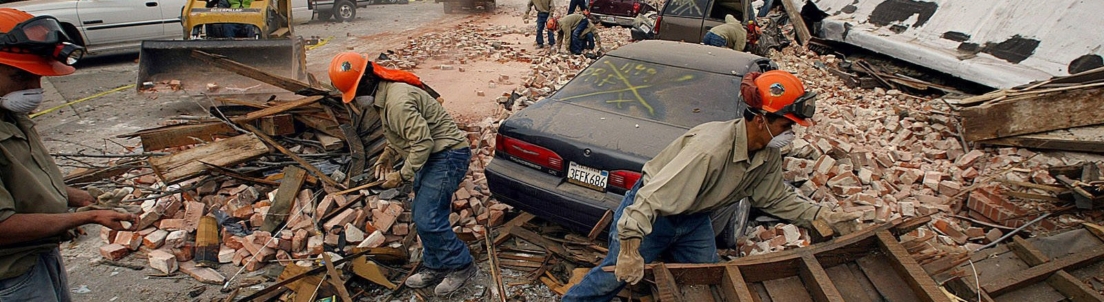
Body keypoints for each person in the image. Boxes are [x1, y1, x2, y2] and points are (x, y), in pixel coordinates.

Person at [561, 70, 862, 301]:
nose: (790, 134)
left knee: (706, 279)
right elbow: (649, 200)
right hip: (655, 217)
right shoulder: (710, 150)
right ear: (761, 119)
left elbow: (775, 198)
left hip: (694, 221)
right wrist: (629, 247)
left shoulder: (767, 152)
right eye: (786, 125)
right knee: (613, 279)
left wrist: (823, 216)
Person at [0, 8, 136, 301]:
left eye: (37, 78)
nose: (34, 90)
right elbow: (3, 227)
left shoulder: (8, 115)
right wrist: (85, 218)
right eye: (20, 77)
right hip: (8, 276)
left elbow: (21, 179)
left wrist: (75, 196)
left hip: (36, 255)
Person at [329, 52, 475, 296]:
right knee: (422, 215)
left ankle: (461, 265)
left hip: (447, 155)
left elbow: (422, 143)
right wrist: (389, 154)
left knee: (428, 218)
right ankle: (436, 266)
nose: (356, 101)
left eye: (354, 95)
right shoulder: (385, 98)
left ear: (366, 82)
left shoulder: (397, 102)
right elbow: (403, 136)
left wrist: (402, 175)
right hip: (433, 155)